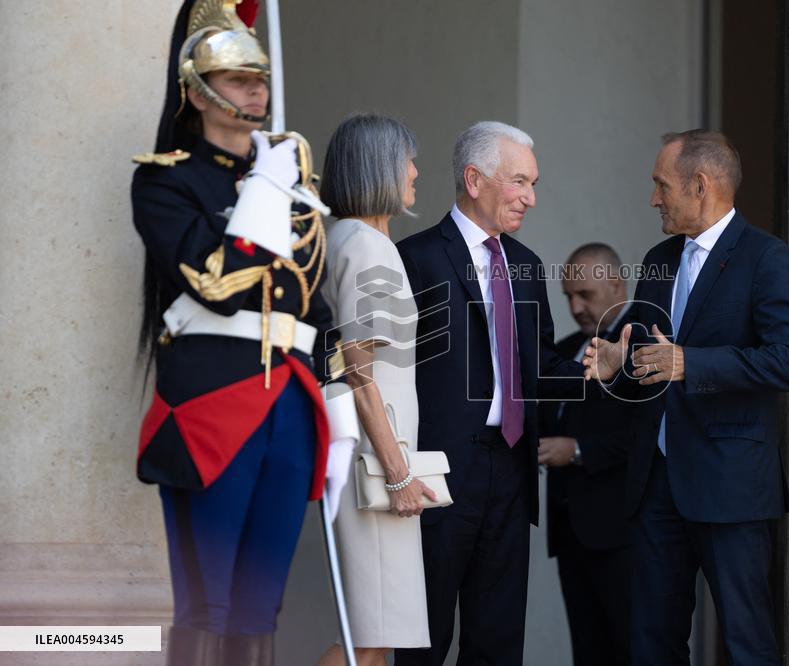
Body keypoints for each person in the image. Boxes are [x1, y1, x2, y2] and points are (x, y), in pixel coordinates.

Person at [130, 2, 358, 664]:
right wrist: (263, 189)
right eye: (235, 79)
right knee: (208, 604)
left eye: (258, 78)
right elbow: (214, 279)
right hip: (212, 402)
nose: (254, 90)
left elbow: (316, 312)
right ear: (195, 92)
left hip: (291, 402)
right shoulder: (167, 181)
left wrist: (338, 415)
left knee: (262, 604)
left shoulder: (292, 185)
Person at [583, 130, 789, 665]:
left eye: (661, 185)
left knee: (746, 642)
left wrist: (693, 363)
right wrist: (620, 364)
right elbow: (652, 358)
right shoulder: (658, 258)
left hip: (731, 485)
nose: (653, 198)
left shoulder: (766, 258)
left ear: (700, 185)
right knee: (651, 644)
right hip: (656, 485)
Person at [393, 121, 619, 666]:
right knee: (420, 641)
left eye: (533, 183)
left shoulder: (526, 266)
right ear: (475, 179)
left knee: (497, 644)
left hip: (512, 472)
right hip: (437, 472)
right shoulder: (414, 259)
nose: (531, 198)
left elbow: (538, 366)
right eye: (520, 181)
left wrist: (595, 370)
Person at [315, 114, 436, 666]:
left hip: (368, 455)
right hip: (375, 462)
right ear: (379, 169)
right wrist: (399, 471)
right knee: (369, 638)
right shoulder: (367, 246)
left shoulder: (345, 239)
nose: (415, 171)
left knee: (374, 635)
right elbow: (358, 370)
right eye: (407, 160)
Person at [539, 243, 634, 666]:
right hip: (569, 533)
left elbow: (646, 436)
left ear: (616, 285)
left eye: (585, 295)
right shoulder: (564, 349)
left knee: (628, 649)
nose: (575, 306)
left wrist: (578, 450)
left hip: (622, 534)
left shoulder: (645, 346)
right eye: (568, 297)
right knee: (588, 652)